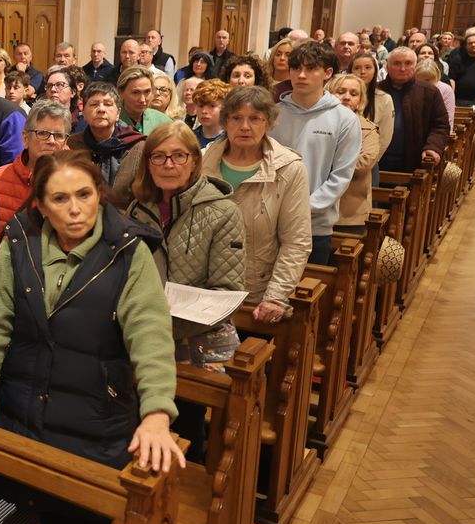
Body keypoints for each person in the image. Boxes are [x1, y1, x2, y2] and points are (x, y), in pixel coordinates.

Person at [0, 149, 182, 524]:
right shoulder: (19, 243)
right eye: (60, 199)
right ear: (39, 205)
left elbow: (150, 335)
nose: (75, 209)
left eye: (84, 195)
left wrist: (157, 413)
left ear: (99, 194)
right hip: (26, 418)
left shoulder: (128, 252)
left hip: (96, 422)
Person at [127, 122, 245, 366]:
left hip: (202, 341)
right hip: (144, 337)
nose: (168, 164)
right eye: (158, 156)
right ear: (148, 163)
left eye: (179, 155)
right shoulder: (137, 209)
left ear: (194, 161)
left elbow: (226, 291)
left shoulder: (223, 212)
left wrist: (160, 325)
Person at [201, 87, 311, 321]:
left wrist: (275, 297)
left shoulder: (289, 169)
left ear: (268, 123)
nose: (244, 126)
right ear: (225, 122)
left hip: (256, 295)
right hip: (203, 291)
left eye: (254, 119)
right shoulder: (201, 162)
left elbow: (296, 242)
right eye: (236, 118)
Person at [0, 99, 71, 302]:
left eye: (58, 135)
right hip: (1, 290)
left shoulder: (78, 182)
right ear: (25, 138)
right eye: (43, 133)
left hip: (54, 295)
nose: (51, 141)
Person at [269, 42, 361, 265]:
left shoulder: (345, 119)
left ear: (327, 73)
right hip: (269, 222)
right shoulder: (273, 114)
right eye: (296, 68)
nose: (301, 75)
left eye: (311, 68)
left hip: (314, 226)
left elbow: (340, 177)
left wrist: (302, 208)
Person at [68, 82, 145, 207]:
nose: (101, 109)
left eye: (108, 104)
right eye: (94, 104)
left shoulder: (137, 147)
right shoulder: (72, 144)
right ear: (84, 113)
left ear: (118, 113)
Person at [378, 46, 450, 173]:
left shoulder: (429, 91)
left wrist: (432, 147)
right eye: (396, 63)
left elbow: (440, 125)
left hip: (413, 161)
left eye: (408, 63)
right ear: (387, 66)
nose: (402, 68)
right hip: (377, 159)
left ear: (415, 66)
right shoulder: (376, 90)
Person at [326, 75, 382, 234]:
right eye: (340, 92)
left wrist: (324, 161)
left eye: (353, 94)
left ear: (360, 101)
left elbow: (362, 165)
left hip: (350, 213)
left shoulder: (368, 129)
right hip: (314, 209)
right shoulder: (317, 122)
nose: (346, 97)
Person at [351, 52, 395, 162]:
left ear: (375, 71)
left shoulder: (384, 98)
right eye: (357, 68)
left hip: (369, 159)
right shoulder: (341, 96)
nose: (362, 72)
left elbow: (385, 137)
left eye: (368, 67)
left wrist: (370, 159)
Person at [117, 66, 171, 135]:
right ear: (120, 93)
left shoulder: (163, 122)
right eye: (135, 93)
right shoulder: (111, 122)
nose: (142, 100)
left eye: (147, 92)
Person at [448, 27, 475, 106]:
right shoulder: (457, 58)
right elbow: (452, 78)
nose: (473, 45)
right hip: (459, 100)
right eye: (470, 43)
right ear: (466, 45)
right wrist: (451, 97)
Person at [192, 79, 231, 149]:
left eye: (212, 106)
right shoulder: (190, 138)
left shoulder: (231, 139)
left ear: (225, 108)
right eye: (201, 106)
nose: (204, 111)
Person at [415, 59, 456, 125]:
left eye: (427, 80)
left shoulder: (446, 90)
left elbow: (448, 121)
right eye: (420, 81)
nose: (423, 84)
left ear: (436, 77)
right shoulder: (411, 88)